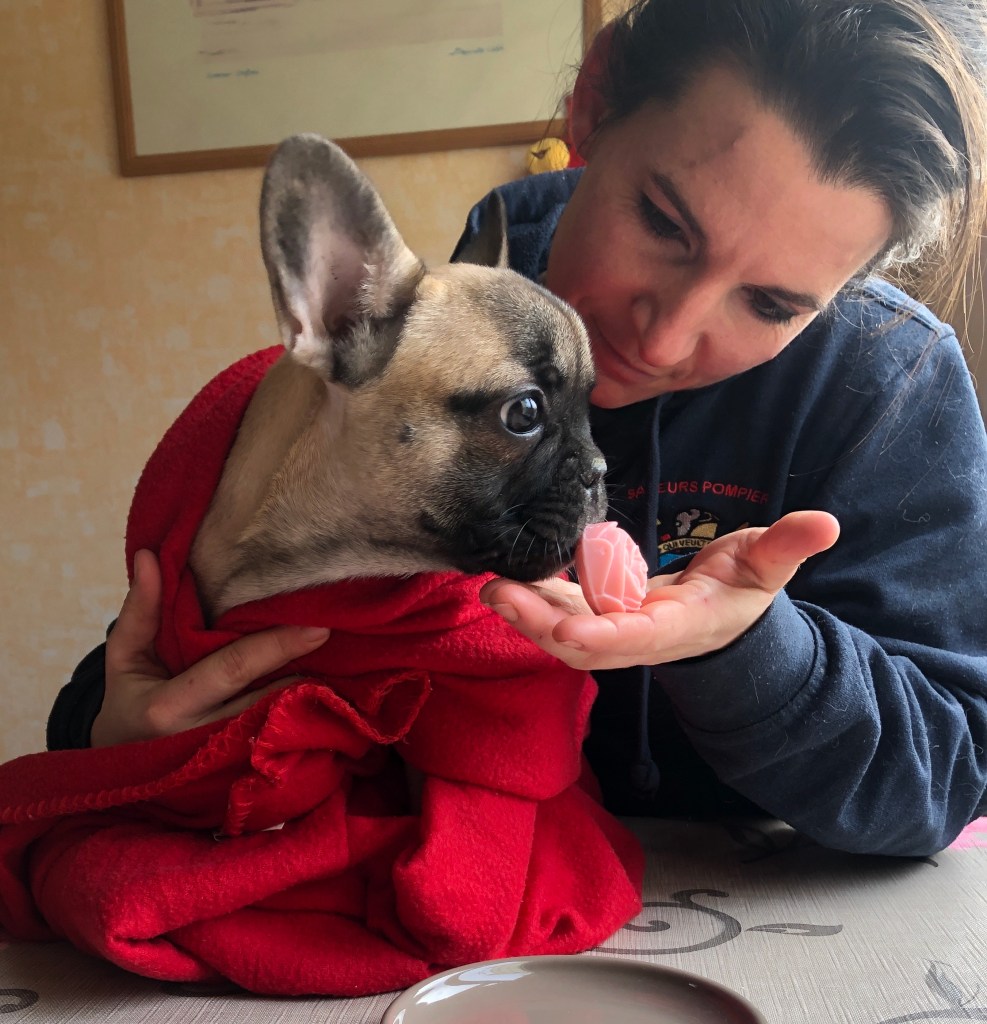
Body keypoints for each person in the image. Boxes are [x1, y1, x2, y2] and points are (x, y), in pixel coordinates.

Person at [48, 0, 987, 857]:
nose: (664, 336)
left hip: (764, 894)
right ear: (594, 103)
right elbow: (222, 617)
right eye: (662, 223)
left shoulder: (890, 381)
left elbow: (947, 777)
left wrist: (744, 647)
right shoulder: (434, 335)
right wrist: (108, 725)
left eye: (771, 304)